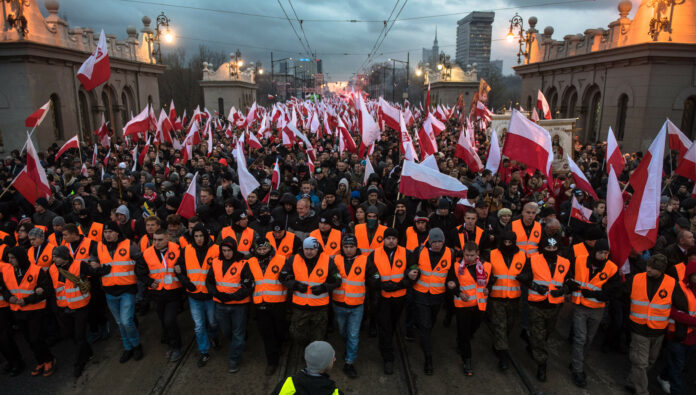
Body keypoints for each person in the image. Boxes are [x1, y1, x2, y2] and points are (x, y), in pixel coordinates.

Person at [625, 254, 688, 395]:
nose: (649, 270)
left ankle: (631, 381)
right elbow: (621, 292)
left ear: (661, 270)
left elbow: (681, 305)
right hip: (639, 329)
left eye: (653, 269)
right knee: (640, 363)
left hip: (658, 331)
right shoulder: (636, 279)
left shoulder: (672, 284)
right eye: (648, 266)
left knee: (650, 361)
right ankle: (642, 391)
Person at [517, 236, 572, 382]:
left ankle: (532, 345)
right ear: (543, 248)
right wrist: (536, 287)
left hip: (554, 306)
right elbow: (522, 277)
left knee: (545, 334)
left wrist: (563, 290)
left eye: (554, 248)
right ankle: (542, 365)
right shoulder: (533, 259)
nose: (551, 250)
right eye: (548, 248)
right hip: (536, 305)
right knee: (539, 335)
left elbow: (571, 281)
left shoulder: (565, 262)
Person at [365, 227, 418, 375]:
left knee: (393, 324)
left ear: (397, 240)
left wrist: (400, 284)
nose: (391, 241)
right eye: (388, 238)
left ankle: (387, 342)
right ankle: (388, 357)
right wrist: (381, 284)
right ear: (384, 239)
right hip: (382, 298)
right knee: (385, 327)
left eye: (394, 238)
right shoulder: (374, 254)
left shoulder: (407, 253)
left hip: (399, 297)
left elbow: (414, 273)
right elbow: (370, 273)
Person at [569, 239, 621, 388]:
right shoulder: (579, 260)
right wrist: (569, 283)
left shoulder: (611, 268)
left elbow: (614, 290)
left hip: (597, 308)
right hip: (580, 306)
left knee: (588, 339)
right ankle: (578, 370)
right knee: (580, 338)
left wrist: (594, 295)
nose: (603, 255)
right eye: (600, 252)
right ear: (594, 251)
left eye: (606, 253)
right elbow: (568, 273)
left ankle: (576, 362)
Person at [49, 246, 107, 377]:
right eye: (53, 256)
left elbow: (93, 272)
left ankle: (79, 364)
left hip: (80, 306)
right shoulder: (52, 269)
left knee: (79, 337)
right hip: (63, 308)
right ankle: (88, 352)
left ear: (64, 256)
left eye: (56, 256)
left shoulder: (79, 265)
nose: (53, 259)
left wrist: (104, 269)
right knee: (69, 335)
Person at [0, 246, 55, 377]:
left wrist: (28, 300)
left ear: (20, 258)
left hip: (35, 310)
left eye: (13, 258)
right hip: (18, 310)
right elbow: (4, 288)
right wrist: (10, 298)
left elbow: (46, 290)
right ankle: (40, 361)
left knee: (36, 337)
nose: (10, 261)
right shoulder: (8, 272)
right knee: (28, 339)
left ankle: (49, 360)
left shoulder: (36, 271)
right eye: (9, 258)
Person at [279, 237, 341, 347]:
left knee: (318, 337)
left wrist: (324, 287)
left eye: (312, 249)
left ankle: (313, 358)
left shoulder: (327, 261)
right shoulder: (294, 259)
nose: (309, 252)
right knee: (297, 334)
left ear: (317, 249)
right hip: (299, 307)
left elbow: (337, 279)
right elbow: (282, 276)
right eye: (306, 249)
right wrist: (295, 285)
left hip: (320, 308)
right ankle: (305, 351)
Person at [97, 221, 143, 363]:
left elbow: (140, 261)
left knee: (126, 321)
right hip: (110, 291)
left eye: (111, 231)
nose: (108, 235)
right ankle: (127, 347)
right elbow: (93, 261)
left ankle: (136, 345)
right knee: (119, 322)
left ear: (117, 232)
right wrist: (97, 267)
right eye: (105, 232)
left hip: (127, 289)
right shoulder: (99, 246)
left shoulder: (130, 245)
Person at [135, 229, 184, 362]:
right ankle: (170, 345)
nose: (156, 242)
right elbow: (139, 272)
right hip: (157, 294)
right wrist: (150, 282)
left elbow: (185, 265)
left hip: (173, 293)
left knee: (169, 320)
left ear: (167, 238)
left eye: (160, 240)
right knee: (163, 321)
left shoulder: (177, 249)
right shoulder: (146, 254)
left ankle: (177, 347)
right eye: (155, 240)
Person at [175, 224, 220, 367]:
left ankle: (214, 337)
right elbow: (178, 268)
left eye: (201, 236)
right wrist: (186, 283)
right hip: (194, 295)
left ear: (206, 236)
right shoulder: (186, 250)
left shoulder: (216, 250)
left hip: (210, 295)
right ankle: (204, 351)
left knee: (212, 322)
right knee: (199, 326)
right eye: (196, 236)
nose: (199, 239)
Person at [206, 237, 253, 373]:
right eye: (224, 250)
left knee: (238, 333)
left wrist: (232, 297)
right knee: (226, 331)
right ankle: (238, 345)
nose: (226, 253)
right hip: (221, 304)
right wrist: (217, 294)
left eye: (229, 250)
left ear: (234, 249)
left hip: (239, 305)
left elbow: (247, 286)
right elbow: (209, 282)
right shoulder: (216, 262)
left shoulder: (243, 263)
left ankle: (234, 359)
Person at [412, 227, 454, 375]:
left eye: (439, 241)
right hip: (421, 294)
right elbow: (411, 264)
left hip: (437, 296)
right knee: (426, 324)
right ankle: (428, 358)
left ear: (443, 241)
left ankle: (424, 334)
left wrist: (452, 282)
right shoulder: (419, 251)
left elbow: (453, 273)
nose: (437, 244)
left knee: (430, 322)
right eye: (434, 241)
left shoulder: (451, 253)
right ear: (429, 241)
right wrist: (411, 272)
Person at [447, 241, 490, 376]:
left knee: (472, 329)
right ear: (463, 253)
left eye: (472, 255)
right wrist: (459, 292)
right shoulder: (455, 267)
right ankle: (467, 361)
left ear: (477, 254)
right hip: (463, 306)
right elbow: (450, 283)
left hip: (479, 305)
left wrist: (489, 289)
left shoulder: (486, 266)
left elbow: (492, 281)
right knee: (464, 334)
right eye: (466, 255)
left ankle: (462, 341)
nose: (469, 258)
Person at [246, 240, 288, 376]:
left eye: (265, 249)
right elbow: (247, 278)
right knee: (266, 333)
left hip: (278, 302)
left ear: (270, 248)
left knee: (280, 330)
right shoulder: (251, 262)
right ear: (256, 250)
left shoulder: (281, 259)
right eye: (260, 250)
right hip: (260, 303)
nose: (262, 252)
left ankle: (280, 345)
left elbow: (288, 276)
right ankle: (272, 362)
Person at [487, 231, 527, 371]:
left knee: (509, 325)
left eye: (510, 242)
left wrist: (525, 277)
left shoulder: (522, 255)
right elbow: (485, 272)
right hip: (497, 297)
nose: (508, 245)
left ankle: (499, 343)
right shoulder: (492, 254)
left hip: (514, 298)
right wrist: (489, 279)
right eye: (505, 242)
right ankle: (503, 357)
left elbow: (528, 272)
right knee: (500, 326)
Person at [331, 234, 367, 379]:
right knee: (342, 331)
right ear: (342, 247)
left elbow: (372, 276)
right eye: (346, 247)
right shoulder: (335, 259)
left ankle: (349, 362)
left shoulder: (365, 260)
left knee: (353, 334)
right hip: (339, 304)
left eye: (351, 247)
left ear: (356, 247)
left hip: (356, 306)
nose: (349, 250)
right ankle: (348, 349)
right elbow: (330, 275)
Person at [658, 259, 696, 395]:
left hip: (691, 337)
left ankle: (663, 377)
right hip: (677, 335)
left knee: (678, 364)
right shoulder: (678, 288)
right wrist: (692, 320)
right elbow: (673, 311)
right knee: (677, 367)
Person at [271, 340, 343, 395]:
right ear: (324, 364)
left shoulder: (287, 384)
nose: (335, 359)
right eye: (332, 358)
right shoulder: (335, 393)